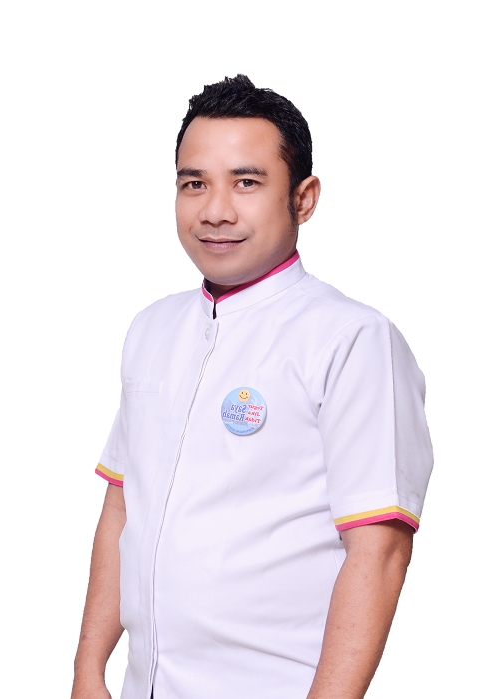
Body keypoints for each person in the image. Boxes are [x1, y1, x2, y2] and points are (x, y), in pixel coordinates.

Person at [71, 75, 433, 699]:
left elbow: (379, 553)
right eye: (194, 184)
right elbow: (122, 509)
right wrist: (87, 670)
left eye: (246, 182)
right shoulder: (151, 328)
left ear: (304, 198)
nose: (215, 210)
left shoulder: (351, 340)